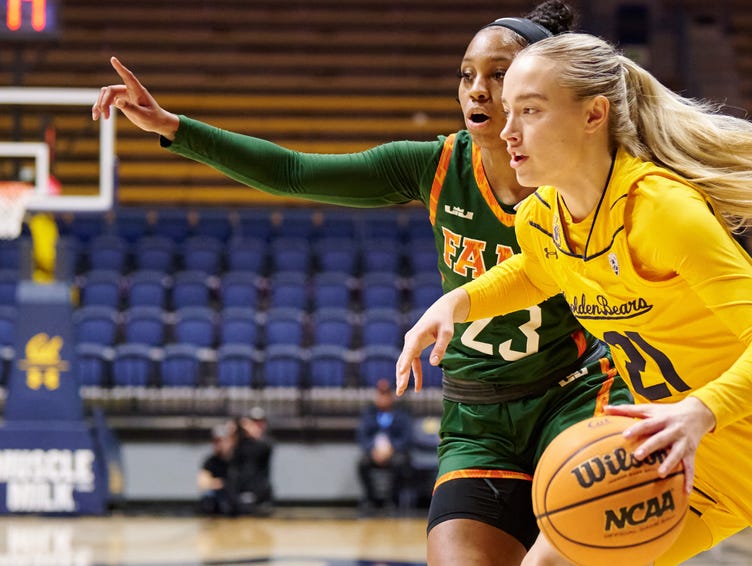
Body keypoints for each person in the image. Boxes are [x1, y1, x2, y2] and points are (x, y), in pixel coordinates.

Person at [91, 3, 634, 564]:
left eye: (498, 75)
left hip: (572, 396)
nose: (477, 89)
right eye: (467, 74)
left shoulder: (586, 178)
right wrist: (173, 128)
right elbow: (294, 172)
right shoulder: (437, 166)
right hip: (478, 417)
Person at [397, 33, 752, 564]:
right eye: (508, 111)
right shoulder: (542, 217)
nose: (507, 131)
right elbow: (538, 271)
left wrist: (700, 411)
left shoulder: (662, 211)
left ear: (593, 115)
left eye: (530, 111)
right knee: (556, 561)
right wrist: (455, 304)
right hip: (684, 456)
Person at [357, 378, 414, 515]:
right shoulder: (369, 414)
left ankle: (392, 500)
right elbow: (362, 436)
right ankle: (371, 499)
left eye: (386, 395)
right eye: (380, 394)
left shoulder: (401, 414)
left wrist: (392, 448)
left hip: (395, 452)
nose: (383, 399)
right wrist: (373, 449)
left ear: (391, 396)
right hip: (375, 453)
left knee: (400, 463)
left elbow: (406, 437)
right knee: (362, 464)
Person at [230, 410, 274, 516]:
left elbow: (265, 447)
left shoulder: (266, 442)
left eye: (260, 422)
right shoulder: (241, 443)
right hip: (241, 490)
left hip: (261, 492)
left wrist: (253, 431)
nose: (257, 425)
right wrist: (234, 431)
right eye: (254, 422)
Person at [198, 421, 236, 516]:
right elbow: (202, 484)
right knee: (209, 498)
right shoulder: (210, 461)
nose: (218, 444)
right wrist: (222, 483)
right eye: (215, 441)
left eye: (221, 440)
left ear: (230, 441)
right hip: (218, 500)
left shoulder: (238, 459)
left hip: (234, 499)